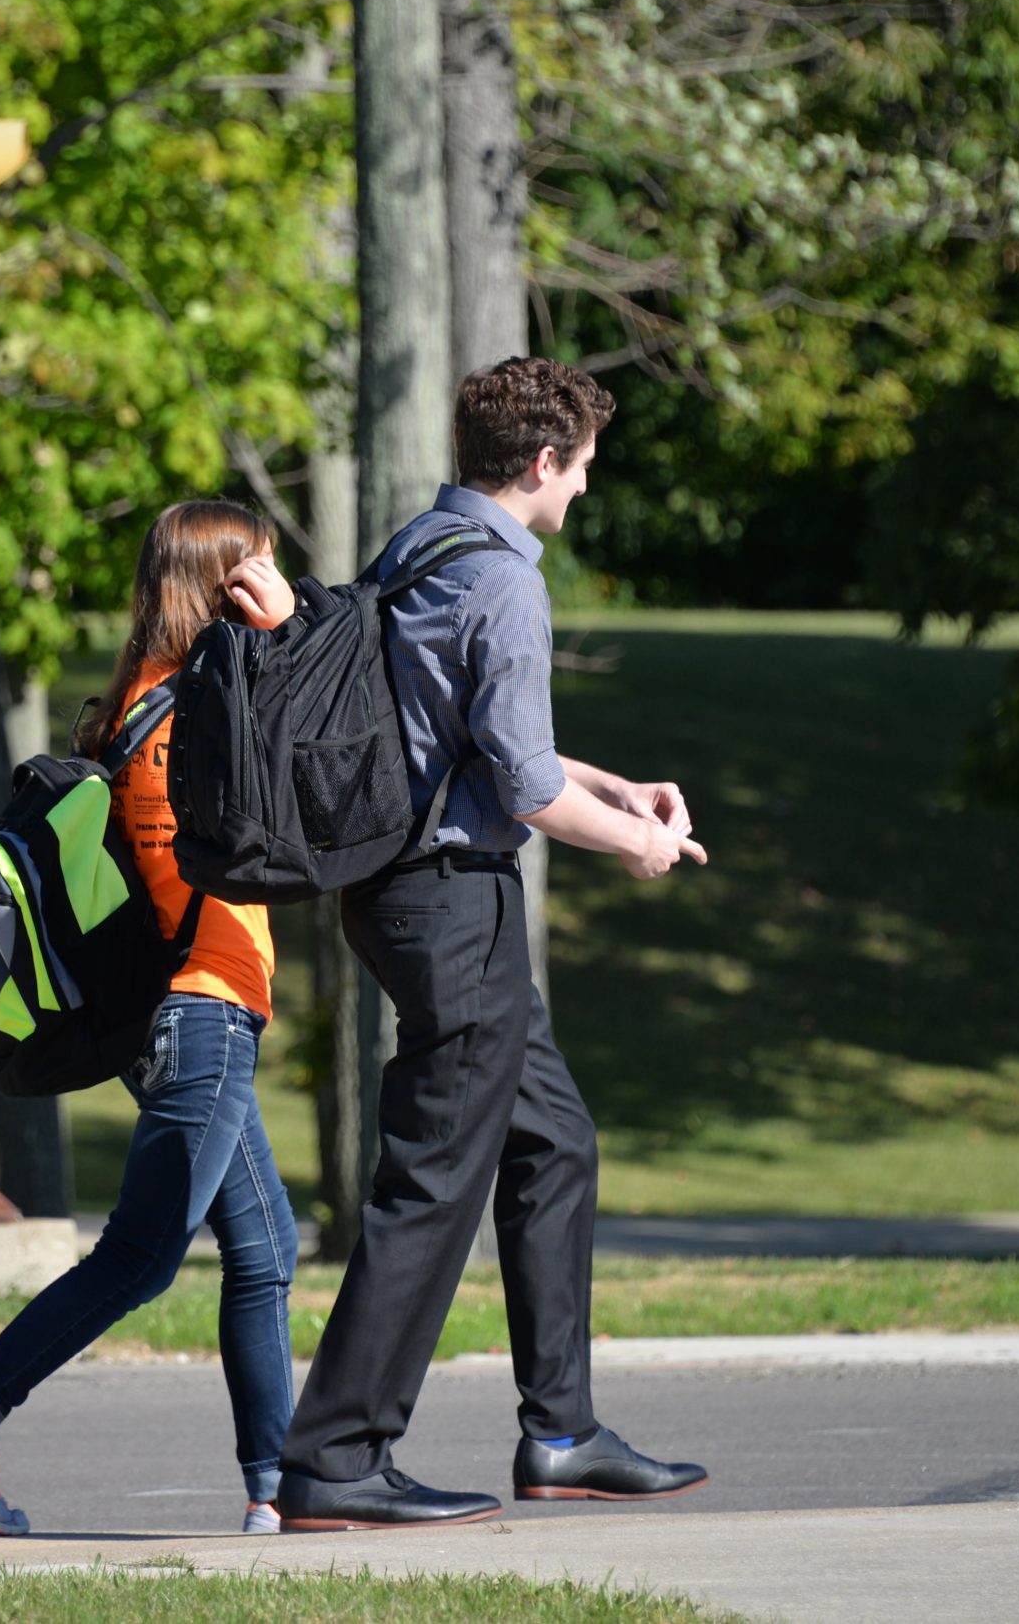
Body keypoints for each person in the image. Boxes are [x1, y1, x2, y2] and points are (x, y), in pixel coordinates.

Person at [275, 356, 711, 1532]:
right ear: (539, 463)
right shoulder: (505, 583)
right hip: (450, 899)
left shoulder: (420, 545)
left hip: (402, 890)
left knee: (554, 1143)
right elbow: (518, 789)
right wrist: (635, 844)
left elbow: (464, 739)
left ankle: (560, 1432)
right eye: (578, 473)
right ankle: (335, 1456)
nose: (578, 495)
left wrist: (613, 783)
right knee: (431, 1177)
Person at [0, 499, 304, 1538]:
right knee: (141, 1256)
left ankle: (279, 1491)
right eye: (256, 575)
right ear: (222, 586)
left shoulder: (150, 703)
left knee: (263, 1250)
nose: (270, 589)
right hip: (201, 1015)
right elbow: (276, 835)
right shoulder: (183, 719)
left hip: (200, 1017)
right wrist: (289, 640)